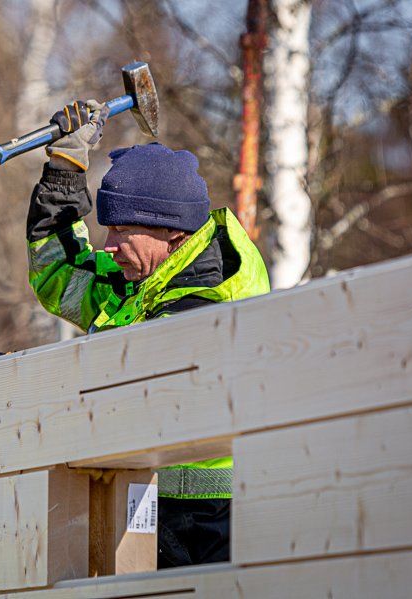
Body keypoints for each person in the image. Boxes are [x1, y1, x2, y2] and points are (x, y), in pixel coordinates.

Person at [25, 99, 270, 567]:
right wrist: (64, 171)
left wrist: (13, 381)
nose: (109, 245)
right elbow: (61, 273)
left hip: (209, 526)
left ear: (170, 230)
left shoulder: (206, 303)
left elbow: (119, 402)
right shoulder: (148, 278)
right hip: (157, 508)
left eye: (121, 230)